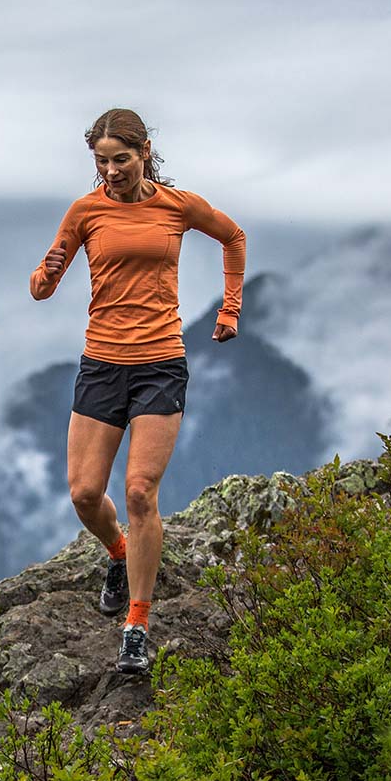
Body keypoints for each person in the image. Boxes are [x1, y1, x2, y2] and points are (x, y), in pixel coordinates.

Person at [29, 108, 245, 674]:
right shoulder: (85, 212)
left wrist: (230, 308)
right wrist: (47, 271)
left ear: (144, 151)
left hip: (160, 364)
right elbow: (40, 289)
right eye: (101, 161)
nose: (111, 171)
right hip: (101, 365)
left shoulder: (177, 206)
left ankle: (136, 625)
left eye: (120, 159)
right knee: (84, 494)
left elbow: (233, 236)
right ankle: (119, 554)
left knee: (140, 493)